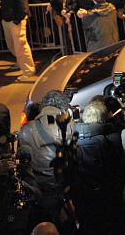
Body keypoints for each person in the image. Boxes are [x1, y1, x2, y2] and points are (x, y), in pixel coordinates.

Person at [18, 90, 75, 223]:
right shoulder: (70, 126)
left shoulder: (27, 129)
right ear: (64, 107)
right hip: (60, 187)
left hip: (37, 190)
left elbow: (23, 161)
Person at [74, 100, 124, 234]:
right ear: (104, 118)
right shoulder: (113, 139)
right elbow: (118, 170)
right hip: (106, 196)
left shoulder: (73, 140)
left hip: (83, 197)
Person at [0, 0, 35, 78]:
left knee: (21, 46)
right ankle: (21, 63)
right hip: (8, 20)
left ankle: (28, 70)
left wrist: (16, 20)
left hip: (16, 21)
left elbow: (24, 8)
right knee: (13, 45)